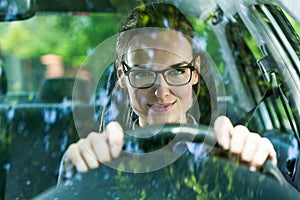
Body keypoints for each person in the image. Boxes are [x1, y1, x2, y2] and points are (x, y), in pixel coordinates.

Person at [59, 2, 277, 179]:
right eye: (142, 74)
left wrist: (256, 169)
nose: (162, 92)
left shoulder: (226, 155)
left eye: (177, 71)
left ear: (195, 72)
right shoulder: (104, 162)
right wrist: (72, 179)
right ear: (122, 76)